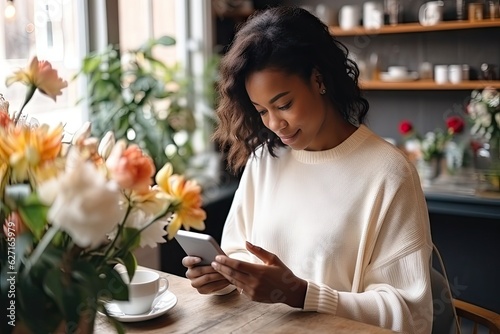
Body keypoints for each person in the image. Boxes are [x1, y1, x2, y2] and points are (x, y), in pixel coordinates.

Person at [182, 6, 433, 333]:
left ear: (318, 79)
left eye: (284, 104)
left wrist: (302, 294)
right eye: (262, 111)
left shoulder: (389, 172)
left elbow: (413, 314)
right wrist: (223, 278)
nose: (275, 124)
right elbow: (237, 253)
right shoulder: (265, 162)